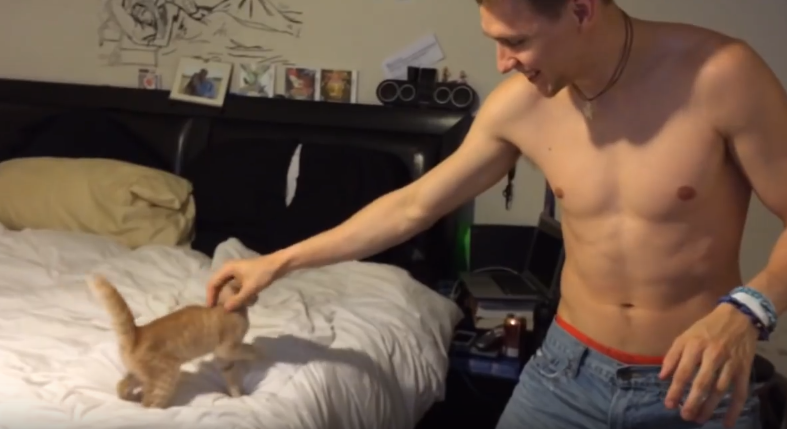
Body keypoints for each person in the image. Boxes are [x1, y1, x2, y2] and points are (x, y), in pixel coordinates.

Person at [206, 0, 787, 427]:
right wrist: (277, 263)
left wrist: (748, 310)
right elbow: (412, 206)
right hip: (566, 374)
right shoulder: (521, 106)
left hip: (695, 383)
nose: (503, 62)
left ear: (581, 10)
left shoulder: (721, 76)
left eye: (517, 41)